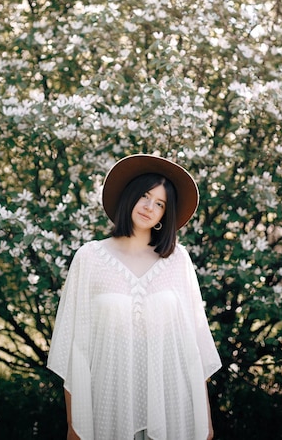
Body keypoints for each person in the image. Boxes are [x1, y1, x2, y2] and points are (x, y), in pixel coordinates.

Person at [47, 154, 221, 440]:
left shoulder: (177, 260)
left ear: (166, 213)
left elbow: (195, 346)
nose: (150, 207)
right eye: (144, 196)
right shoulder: (90, 258)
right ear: (130, 196)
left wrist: (205, 421)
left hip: (170, 402)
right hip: (108, 401)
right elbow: (75, 347)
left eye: (160, 203)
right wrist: (73, 423)